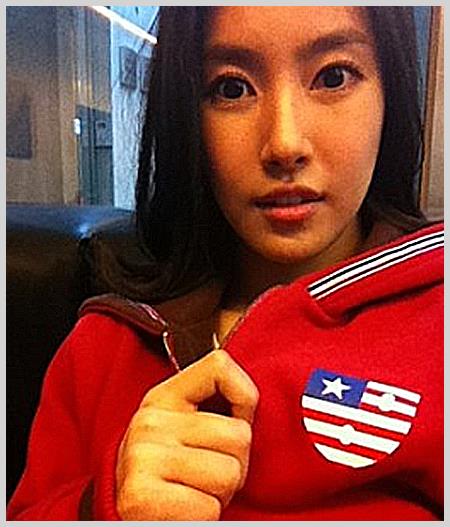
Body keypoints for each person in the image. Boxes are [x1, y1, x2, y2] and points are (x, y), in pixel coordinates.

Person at [7, 6, 443, 521]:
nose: (284, 143)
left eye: (333, 77)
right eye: (232, 89)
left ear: (391, 93)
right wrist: (106, 504)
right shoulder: (103, 350)